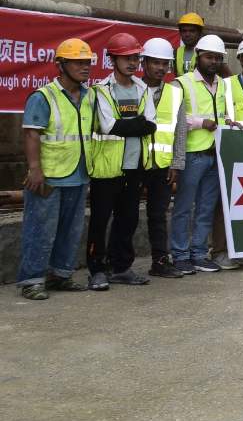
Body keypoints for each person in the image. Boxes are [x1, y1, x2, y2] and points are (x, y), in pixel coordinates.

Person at [17, 39, 100, 300]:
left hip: (78, 173)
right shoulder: (43, 97)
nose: (85, 67)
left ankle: (60, 275)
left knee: (70, 230)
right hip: (49, 176)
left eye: (87, 62)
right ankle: (32, 280)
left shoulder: (89, 96)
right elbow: (32, 134)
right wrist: (34, 169)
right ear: (60, 66)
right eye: (78, 62)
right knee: (40, 230)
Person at [83, 33, 157, 291]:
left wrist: (129, 126)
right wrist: (136, 125)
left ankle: (121, 268)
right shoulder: (101, 90)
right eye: (126, 58)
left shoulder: (142, 88)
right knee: (100, 219)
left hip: (135, 165)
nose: (132, 62)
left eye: (135, 57)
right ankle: (96, 270)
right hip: (107, 166)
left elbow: (151, 124)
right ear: (112, 59)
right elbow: (108, 125)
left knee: (128, 219)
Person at [170, 33, 228, 274]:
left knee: (205, 207)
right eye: (208, 57)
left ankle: (198, 253)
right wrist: (200, 122)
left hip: (215, 155)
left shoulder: (223, 84)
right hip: (192, 154)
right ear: (198, 57)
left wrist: (228, 122)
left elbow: (223, 114)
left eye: (217, 57)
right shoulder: (181, 84)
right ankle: (181, 255)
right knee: (184, 207)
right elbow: (172, 116)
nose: (213, 61)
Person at [136, 39, 185, 277]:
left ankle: (160, 262)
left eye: (164, 63)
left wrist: (176, 163)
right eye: (155, 62)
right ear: (143, 62)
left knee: (158, 215)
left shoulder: (175, 93)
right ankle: (118, 263)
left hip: (162, 166)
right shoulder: (131, 89)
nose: (160, 67)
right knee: (126, 214)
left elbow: (180, 131)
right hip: (134, 164)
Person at [174, 12, 205, 77]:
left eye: (192, 31)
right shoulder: (175, 53)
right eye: (184, 31)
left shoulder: (207, 53)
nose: (187, 34)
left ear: (200, 33)